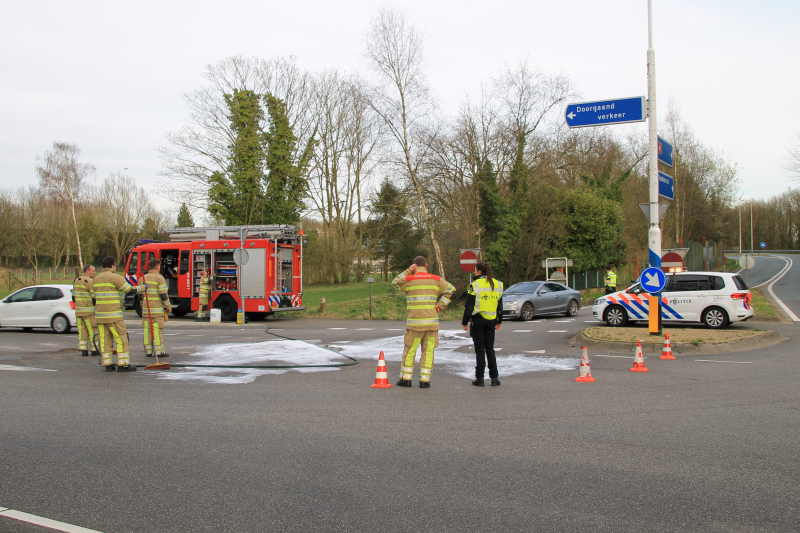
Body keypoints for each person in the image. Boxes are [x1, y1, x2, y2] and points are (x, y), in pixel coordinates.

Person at [392, 256, 455, 388]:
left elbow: (395, 282)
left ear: (414, 266)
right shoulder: (436, 279)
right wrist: (441, 305)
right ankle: (425, 381)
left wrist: (408, 271)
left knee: (410, 350)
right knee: (429, 351)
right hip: (432, 323)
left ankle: (406, 379)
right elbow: (451, 290)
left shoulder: (409, 279)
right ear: (426, 266)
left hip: (415, 324)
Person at [462, 262, 504, 387]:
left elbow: (469, 306)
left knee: (480, 349)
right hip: (491, 320)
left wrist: (465, 322)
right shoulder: (497, 284)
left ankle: (479, 378)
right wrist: (499, 320)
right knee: (490, 349)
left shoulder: (474, 285)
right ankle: (494, 378)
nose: (474, 272)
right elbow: (500, 305)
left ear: (480, 271)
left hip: (478, 320)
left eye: (475, 270)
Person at [94, 256, 137, 372]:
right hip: (113, 315)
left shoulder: (96, 279)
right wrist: (142, 288)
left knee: (105, 340)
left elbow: (93, 297)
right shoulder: (115, 277)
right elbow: (129, 290)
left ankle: (108, 364)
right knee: (121, 339)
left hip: (100, 316)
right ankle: (123, 364)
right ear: (113, 265)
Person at [141, 258, 172, 358]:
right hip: (157, 310)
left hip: (146, 310)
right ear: (158, 267)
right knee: (157, 331)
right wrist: (168, 306)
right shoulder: (160, 278)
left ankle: (148, 351)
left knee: (147, 331)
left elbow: (140, 295)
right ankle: (159, 352)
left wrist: (144, 304)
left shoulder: (143, 278)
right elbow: (163, 294)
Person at [73, 264, 97, 357]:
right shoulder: (90, 281)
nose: (94, 272)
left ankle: (83, 349)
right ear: (88, 271)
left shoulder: (76, 280)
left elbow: (73, 296)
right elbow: (94, 297)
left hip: (79, 311)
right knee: (92, 330)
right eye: (93, 270)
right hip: (89, 311)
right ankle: (94, 349)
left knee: (82, 330)